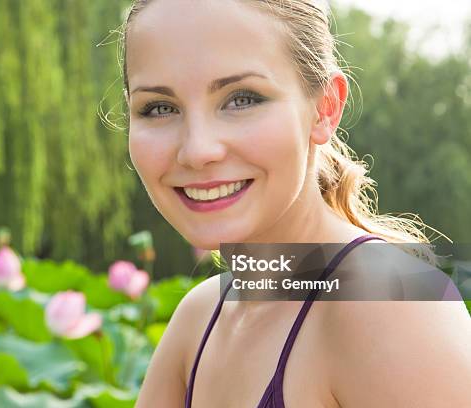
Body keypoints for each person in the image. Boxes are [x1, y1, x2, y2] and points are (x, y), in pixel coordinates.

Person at [120, 0, 471, 406]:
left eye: (242, 99)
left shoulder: (392, 304)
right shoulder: (197, 319)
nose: (197, 150)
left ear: (325, 108)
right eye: (159, 108)